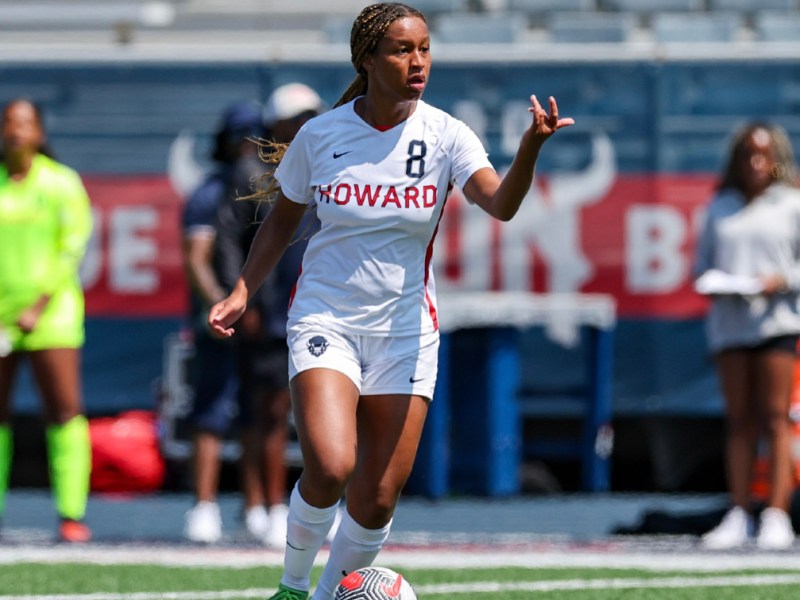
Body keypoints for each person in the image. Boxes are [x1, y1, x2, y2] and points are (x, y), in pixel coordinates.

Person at [208, 3, 573, 598]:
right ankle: (293, 587)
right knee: (329, 466)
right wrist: (243, 290)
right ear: (367, 60)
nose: (418, 61)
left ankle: (327, 596)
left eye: (424, 48)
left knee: (377, 498)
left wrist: (532, 146)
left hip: (406, 330)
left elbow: (502, 204)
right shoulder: (321, 135)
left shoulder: (447, 134)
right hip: (326, 318)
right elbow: (280, 221)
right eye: (403, 49)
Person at [212, 83, 328, 548]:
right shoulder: (252, 173)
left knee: (289, 412)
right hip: (270, 314)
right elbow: (228, 244)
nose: (304, 127)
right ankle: (261, 505)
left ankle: (282, 505)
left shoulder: (324, 166)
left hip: (312, 308)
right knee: (264, 413)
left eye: (310, 117)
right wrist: (246, 301)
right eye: (296, 119)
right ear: (277, 126)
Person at [695, 122, 800, 550]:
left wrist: (781, 280)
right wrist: (719, 282)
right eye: (747, 155)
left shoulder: (792, 204)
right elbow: (699, 266)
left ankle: (777, 512)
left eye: (763, 154)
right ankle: (739, 511)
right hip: (731, 324)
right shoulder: (720, 206)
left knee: (776, 418)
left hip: (776, 323)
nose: (755, 163)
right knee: (739, 421)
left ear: (775, 160)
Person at [0, 98, 94, 543]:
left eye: (25, 124)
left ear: (39, 132)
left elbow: (71, 247)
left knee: (64, 411)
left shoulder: (61, 183)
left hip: (51, 318)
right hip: (0, 321)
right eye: (9, 123)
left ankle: (71, 513)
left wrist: (36, 306)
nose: (16, 131)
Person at [181, 100, 275, 544]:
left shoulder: (273, 188)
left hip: (262, 320)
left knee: (260, 414)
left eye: (254, 138)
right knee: (212, 412)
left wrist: (259, 307)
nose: (246, 147)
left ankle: (256, 505)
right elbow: (197, 260)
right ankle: (204, 505)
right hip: (220, 321)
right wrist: (222, 305)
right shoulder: (209, 192)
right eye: (240, 138)